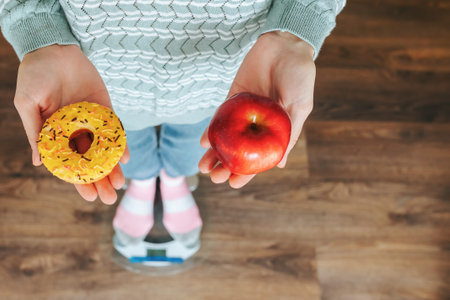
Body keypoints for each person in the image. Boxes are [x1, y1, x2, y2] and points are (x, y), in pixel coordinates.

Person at [0, 0, 345, 247]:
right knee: (126, 145)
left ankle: (175, 176)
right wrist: (42, 36)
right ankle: (143, 179)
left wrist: (295, 32)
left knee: (196, 140)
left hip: (228, 83)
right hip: (96, 81)